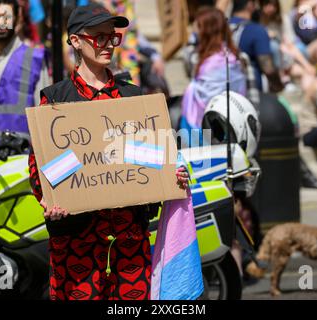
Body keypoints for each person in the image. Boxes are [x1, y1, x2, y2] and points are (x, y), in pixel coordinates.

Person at [28, 3, 190, 301]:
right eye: (98, 37)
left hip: (129, 249)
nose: (107, 44)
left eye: (112, 37)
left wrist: (174, 175)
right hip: (76, 250)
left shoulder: (134, 98)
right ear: (75, 40)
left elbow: (156, 161)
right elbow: (40, 169)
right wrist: (50, 199)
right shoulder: (55, 100)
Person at [0, 0, 50, 134]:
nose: (1, 22)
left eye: (7, 17)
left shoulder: (34, 58)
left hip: (22, 150)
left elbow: (44, 112)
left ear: (17, 19)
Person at [181, 6, 247, 147]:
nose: (195, 31)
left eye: (198, 26)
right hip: (229, 125)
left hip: (203, 123)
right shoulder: (235, 56)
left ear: (206, 30)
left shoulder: (201, 58)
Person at [230, 0, 284, 93]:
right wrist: (279, 87)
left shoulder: (221, 27)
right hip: (250, 94)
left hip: (223, 92)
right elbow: (268, 68)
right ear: (250, 4)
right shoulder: (257, 30)